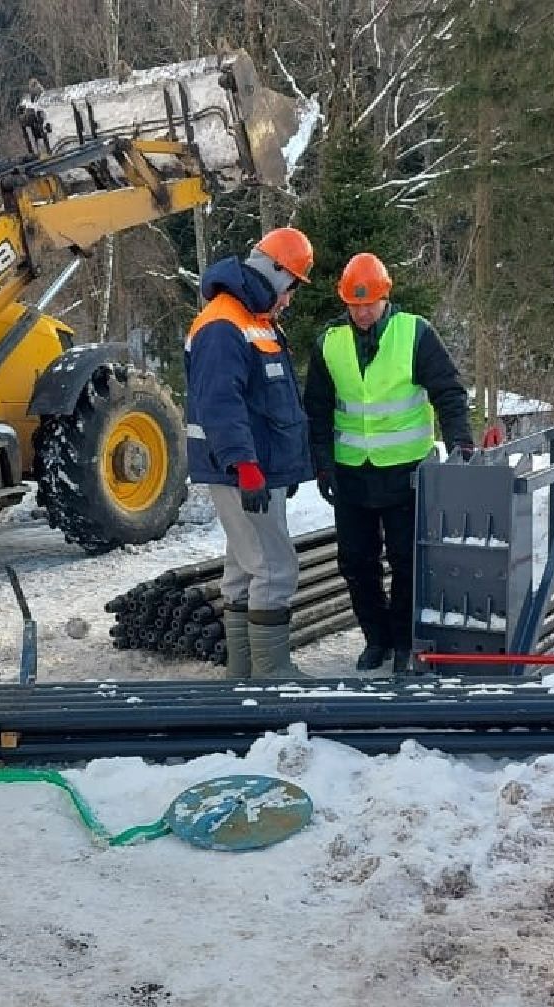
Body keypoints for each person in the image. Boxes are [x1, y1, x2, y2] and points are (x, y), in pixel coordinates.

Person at [304, 252, 472, 675]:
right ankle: (375, 639)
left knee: (405, 561)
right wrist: (322, 464)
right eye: (353, 304)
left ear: (386, 297)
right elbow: (318, 410)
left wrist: (460, 442)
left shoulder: (415, 334)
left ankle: (403, 643)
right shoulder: (330, 342)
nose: (361, 312)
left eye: (369, 303)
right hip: (351, 474)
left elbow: (448, 393)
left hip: (406, 473)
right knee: (356, 563)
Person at [184, 227, 317, 679]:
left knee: (244, 568)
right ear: (275, 272)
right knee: (275, 568)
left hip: (254, 469)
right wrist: (246, 467)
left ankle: (242, 674)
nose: (291, 297)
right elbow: (220, 403)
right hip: (241, 470)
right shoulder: (224, 324)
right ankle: (272, 674)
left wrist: (282, 466)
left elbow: (273, 403)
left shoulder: (253, 320)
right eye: (293, 285)